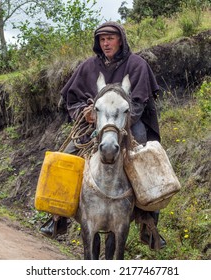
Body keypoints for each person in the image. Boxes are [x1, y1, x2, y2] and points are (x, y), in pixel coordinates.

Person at [40, 21, 166, 250]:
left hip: (128, 122)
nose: (106, 43)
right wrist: (85, 113)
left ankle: (149, 222)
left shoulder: (137, 65)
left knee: (148, 161)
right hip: (94, 122)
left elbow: (139, 102)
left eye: (110, 38)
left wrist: (122, 120)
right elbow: (73, 98)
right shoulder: (89, 66)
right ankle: (57, 216)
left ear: (121, 40)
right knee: (68, 156)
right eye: (102, 39)